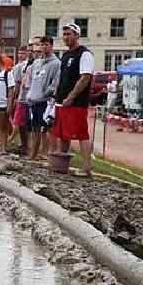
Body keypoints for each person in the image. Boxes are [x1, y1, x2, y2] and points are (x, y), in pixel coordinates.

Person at [50, 22, 94, 177]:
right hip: (61, 101)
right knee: (63, 134)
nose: (66, 37)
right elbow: (62, 78)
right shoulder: (66, 55)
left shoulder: (84, 54)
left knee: (81, 134)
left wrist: (71, 97)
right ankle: (62, 164)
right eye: (65, 34)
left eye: (69, 34)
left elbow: (85, 78)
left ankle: (87, 167)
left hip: (76, 103)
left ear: (77, 35)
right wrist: (56, 95)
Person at [26, 36, 60, 161]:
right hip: (33, 100)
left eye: (46, 44)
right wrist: (30, 94)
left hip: (46, 101)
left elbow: (56, 82)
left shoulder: (56, 63)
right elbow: (30, 79)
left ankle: (49, 154)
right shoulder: (36, 63)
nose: (44, 47)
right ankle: (34, 154)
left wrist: (47, 93)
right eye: (42, 45)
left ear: (51, 46)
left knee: (47, 129)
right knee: (35, 128)